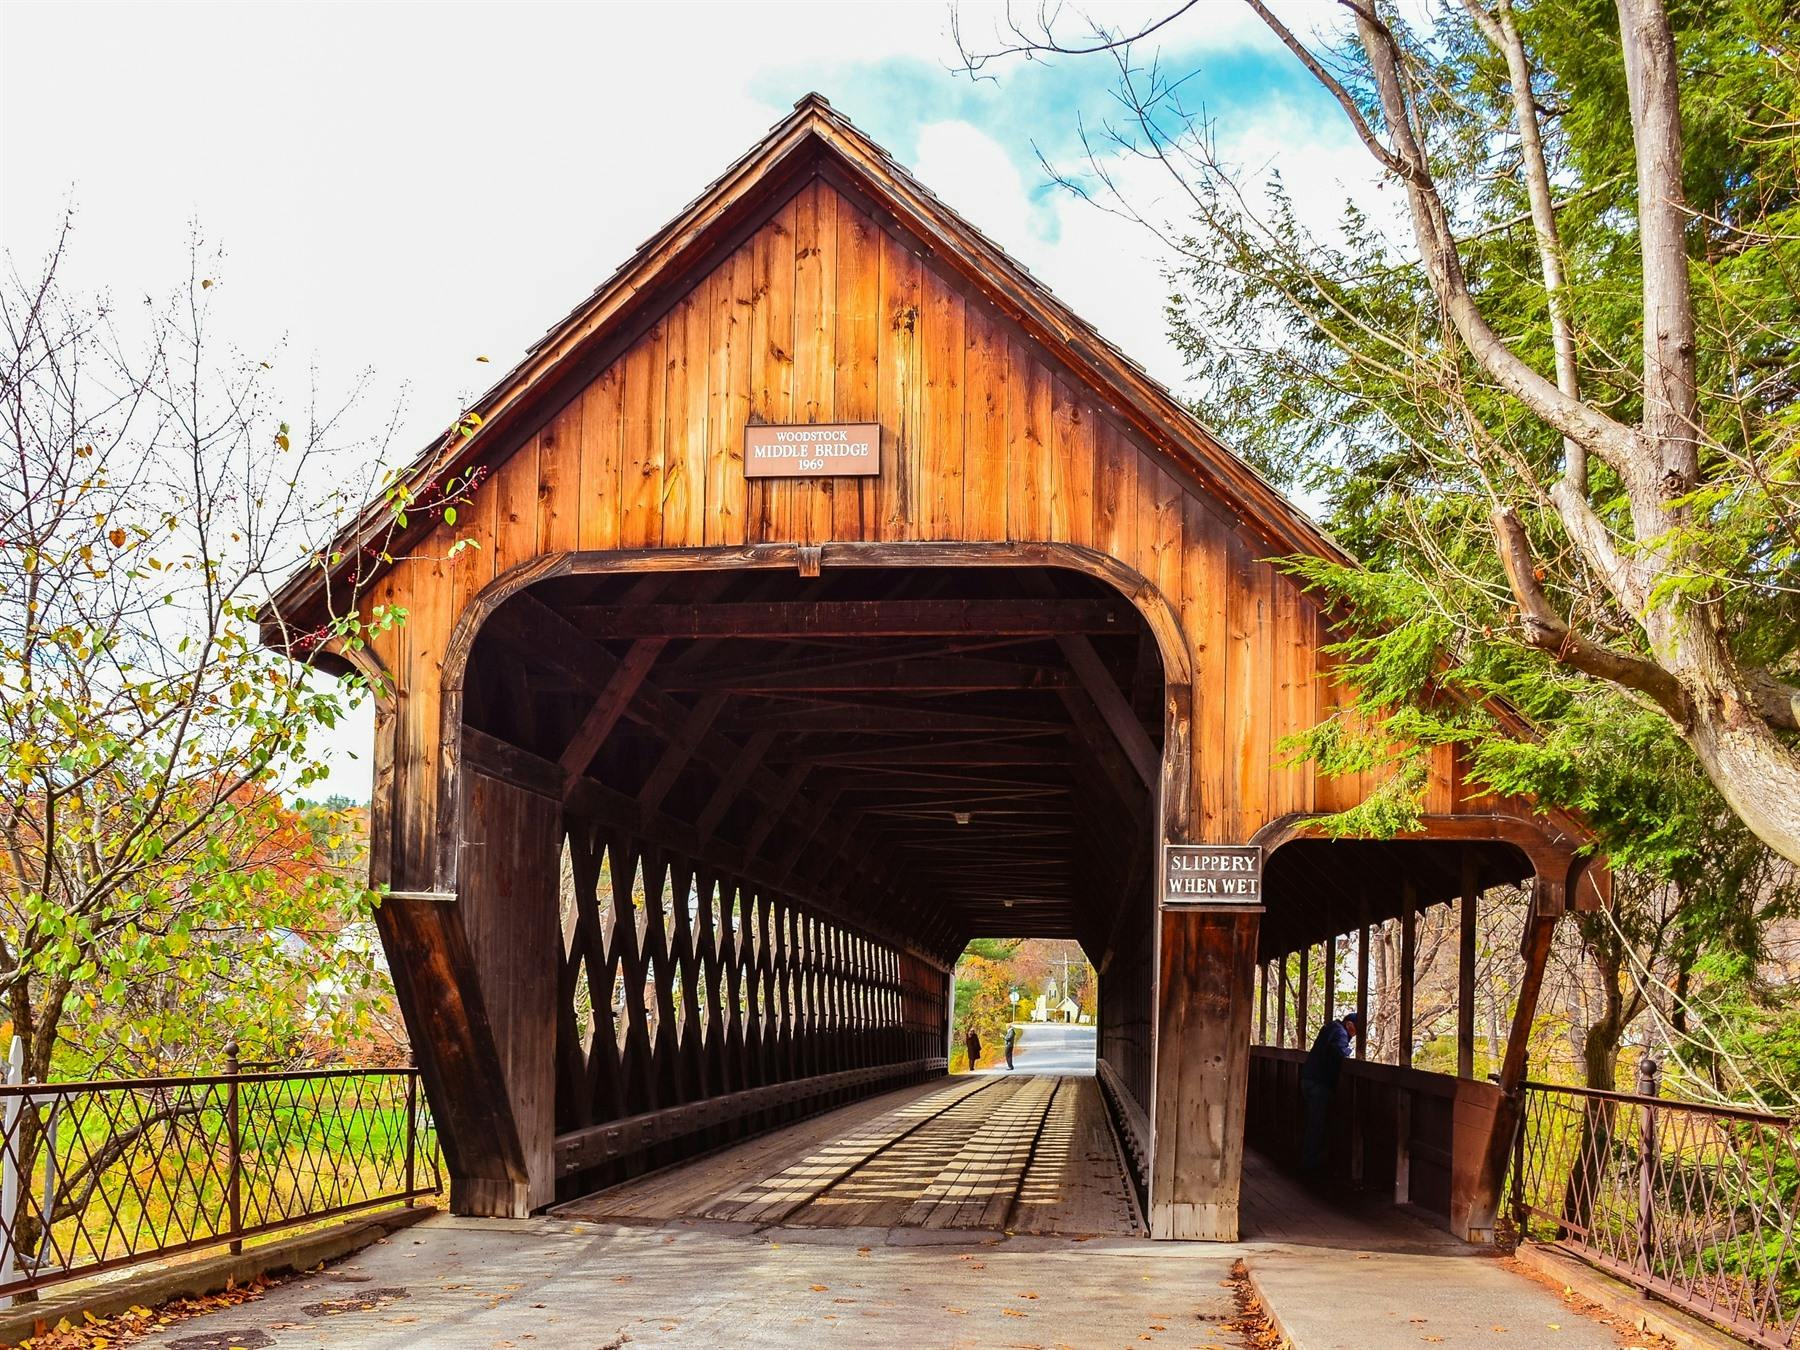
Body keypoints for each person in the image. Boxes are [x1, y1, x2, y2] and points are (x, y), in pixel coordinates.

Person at [1299, 1009, 1360, 1177]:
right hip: (1320, 1083)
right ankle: (1309, 1164)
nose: (1354, 1036)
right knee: (1316, 1124)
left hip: (1308, 1078)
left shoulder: (1329, 1028)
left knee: (1313, 1122)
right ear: (1349, 1025)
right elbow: (1340, 1052)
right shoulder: (1340, 1033)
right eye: (1355, 1030)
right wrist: (1348, 1051)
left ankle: (1310, 1159)